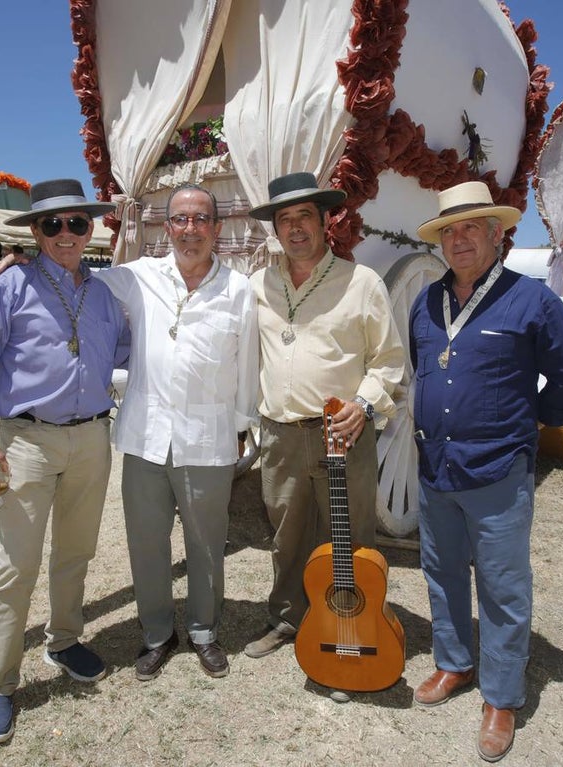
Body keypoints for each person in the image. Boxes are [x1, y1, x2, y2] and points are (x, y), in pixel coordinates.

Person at [0, 183, 260, 681]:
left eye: (201, 219)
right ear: (167, 227)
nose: (189, 229)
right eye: (179, 219)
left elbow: (248, 368)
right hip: (145, 437)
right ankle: (158, 633)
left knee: (206, 541)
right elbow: (71, 275)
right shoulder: (135, 277)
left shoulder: (239, 289)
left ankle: (203, 629)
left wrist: (243, 427)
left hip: (209, 437)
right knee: (146, 541)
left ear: (217, 228)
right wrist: (20, 267)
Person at [408, 181, 563, 762]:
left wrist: (529, 431)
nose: (458, 239)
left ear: (496, 235)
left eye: (471, 229)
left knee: (503, 588)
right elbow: (425, 368)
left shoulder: (532, 302)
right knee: (441, 574)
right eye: (449, 231)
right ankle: (454, 663)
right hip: (436, 468)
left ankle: (502, 696)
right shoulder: (425, 302)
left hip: (498, 472)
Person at [0, 179, 130, 746]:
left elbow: (126, 352)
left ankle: (64, 639)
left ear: (90, 229)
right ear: (35, 231)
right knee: (15, 565)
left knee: (77, 551)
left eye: (77, 223)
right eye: (52, 224)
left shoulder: (104, 295)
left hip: (92, 439)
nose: (66, 234)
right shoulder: (6, 289)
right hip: (27, 440)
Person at [242, 172, 406, 660]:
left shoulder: (361, 283)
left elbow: (389, 360)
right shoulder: (256, 286)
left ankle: (349, 629)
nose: (294, 228)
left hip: (342, 433)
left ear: (325, 220)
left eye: (304, 217)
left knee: (351, 537)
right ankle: (289, 619)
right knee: (286, 535)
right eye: (284, 219)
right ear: (275, 229)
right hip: (280, 434)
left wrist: (365, 406)